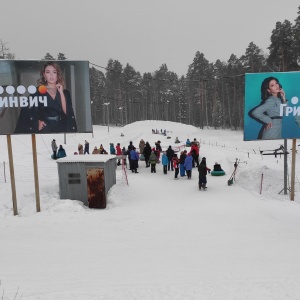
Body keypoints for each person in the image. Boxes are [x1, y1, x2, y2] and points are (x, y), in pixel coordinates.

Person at [15, 61, 77, 133]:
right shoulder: (37, 91)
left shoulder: (65, 93)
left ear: (57, 74)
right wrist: (36, 122)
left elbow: (67, 112)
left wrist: (61, 93)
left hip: (62, 128)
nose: (51, 75)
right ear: (44, 75)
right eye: (48, 72)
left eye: (54, 72)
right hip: (45, 128)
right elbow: (26, 112)